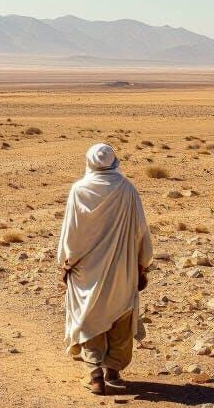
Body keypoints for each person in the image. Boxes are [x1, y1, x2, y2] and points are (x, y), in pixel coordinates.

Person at [57, 143, 152, 395]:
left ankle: (95, 374)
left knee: (89, 317)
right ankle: (114, 371)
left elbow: (71, 233)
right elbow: (141, 229)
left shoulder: (78, 190)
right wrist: (143, 263)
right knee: (120, 316)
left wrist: (66, 262)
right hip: (122, 266)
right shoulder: (127, 189)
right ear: (114, 161)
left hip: (86, 270)